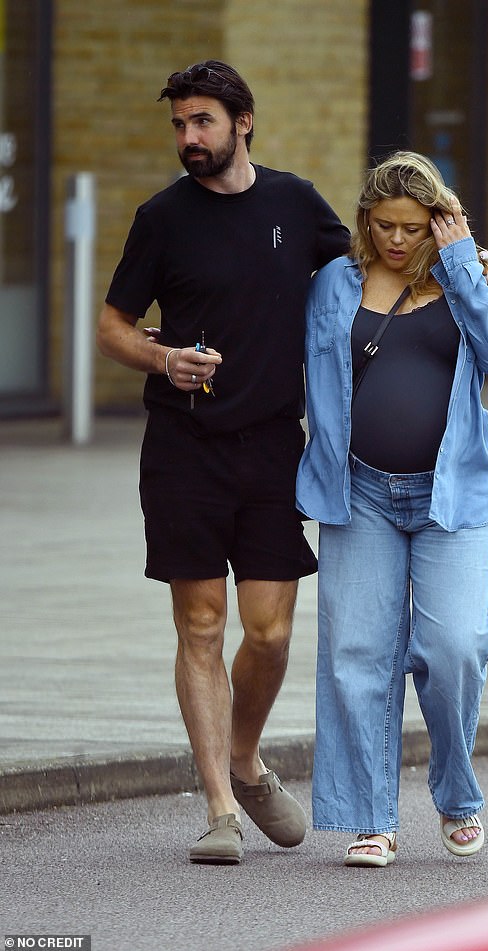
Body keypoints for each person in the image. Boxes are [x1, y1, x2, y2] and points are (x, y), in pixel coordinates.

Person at [96, 59, 351, 865]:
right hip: (183, 447)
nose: (188, 138)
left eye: (201, 121)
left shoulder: (295, 202)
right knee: (201, 623)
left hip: (275, 443)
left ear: (242, 121)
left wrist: (464, 272)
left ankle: (245, 759)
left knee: (270, 632)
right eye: (179, 124)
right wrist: (163, 359)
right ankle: (218, 808)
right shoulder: (161, 218)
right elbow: (113, 325)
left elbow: (369, 270)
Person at [296, 151, 488, 867]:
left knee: (455, 646)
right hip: (358, 491)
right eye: (383, 224)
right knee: (355, 655)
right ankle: (372, 817)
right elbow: (291, 353)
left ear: (439, 220)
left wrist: (462, 264)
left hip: (450, 495)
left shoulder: (464, 278)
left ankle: (456, 792)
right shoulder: (336, 281)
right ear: (366, 219)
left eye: (412, 226)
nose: (397, 239)